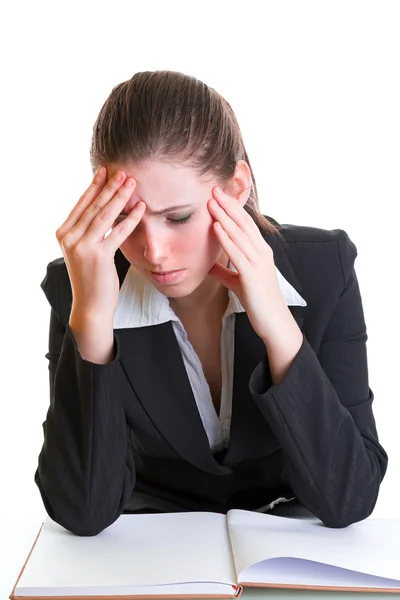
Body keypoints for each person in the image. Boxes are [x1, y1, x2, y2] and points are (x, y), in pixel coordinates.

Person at [35, 70, 388, 537]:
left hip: (288, 544)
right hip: (155, 543)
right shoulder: (81, 286)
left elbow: (350, 498)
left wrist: (280, 330)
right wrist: (94, 322)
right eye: (126, 219)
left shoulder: (326, 270)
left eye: (178, 217)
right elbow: (82, 511)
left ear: (236, 187)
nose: (153, 252)